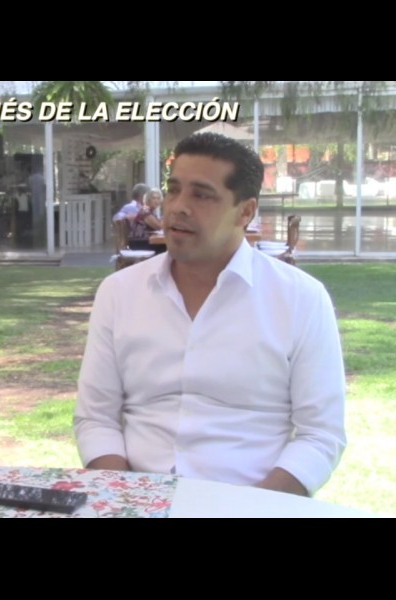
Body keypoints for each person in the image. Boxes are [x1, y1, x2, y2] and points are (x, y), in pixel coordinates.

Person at [75, 132, 346, 497]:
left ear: (245, 212)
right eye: (173, 190)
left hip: (253, 500)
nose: (178, 207)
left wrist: (255, 507)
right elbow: (96, 418)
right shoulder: (119, 292)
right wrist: (127, 499)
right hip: (135, 497)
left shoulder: (301, 299)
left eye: (201, 195)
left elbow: (320, 434)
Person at [127, 188, 165, 254]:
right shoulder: (145, 210)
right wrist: (167, 213)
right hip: (139, 242)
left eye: (158, 198)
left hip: (144, 241)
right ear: (148, 199)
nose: (156, 201)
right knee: (167, 247)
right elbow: (159, 226)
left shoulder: (151, 211)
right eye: (154, 198)